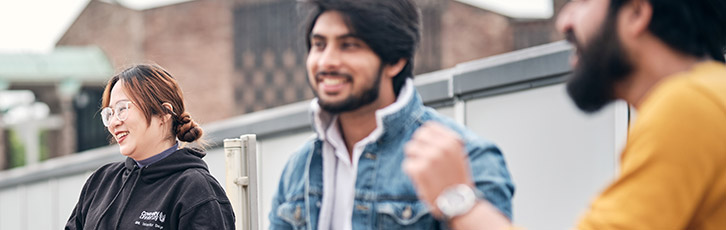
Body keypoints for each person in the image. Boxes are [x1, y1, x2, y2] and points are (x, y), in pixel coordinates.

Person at [402, 0, 726, 228]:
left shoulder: (687, 105)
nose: (564, 21)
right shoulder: (707, 96)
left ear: (637, 13)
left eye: (583, 1)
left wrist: (458, 199)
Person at [268, 0, 516, 229]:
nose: (327, 61)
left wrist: (458, 201)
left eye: (349, 45)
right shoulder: (299, 168)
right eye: (319, 44)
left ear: (395, 59)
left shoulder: (464, 156)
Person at [65, 64, 235, 230]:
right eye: (110, 113)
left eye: (122, 109)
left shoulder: (196, 189)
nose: (114, 123)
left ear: (164, 113)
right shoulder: (100, 182)